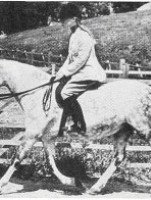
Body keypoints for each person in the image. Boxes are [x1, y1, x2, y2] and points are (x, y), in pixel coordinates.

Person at [55, 3, 107, 134]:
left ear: (74, 19)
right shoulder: (74, 35)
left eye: (66, 20)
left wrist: (66, 72)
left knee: (65, 92)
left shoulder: (84, 36)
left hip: (89, 72)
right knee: (59, 88)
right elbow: (70, 58)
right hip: (80, 72)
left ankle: (79, 125)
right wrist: (60, 73)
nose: (64, 23)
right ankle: (65, 124)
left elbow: (80, 60)